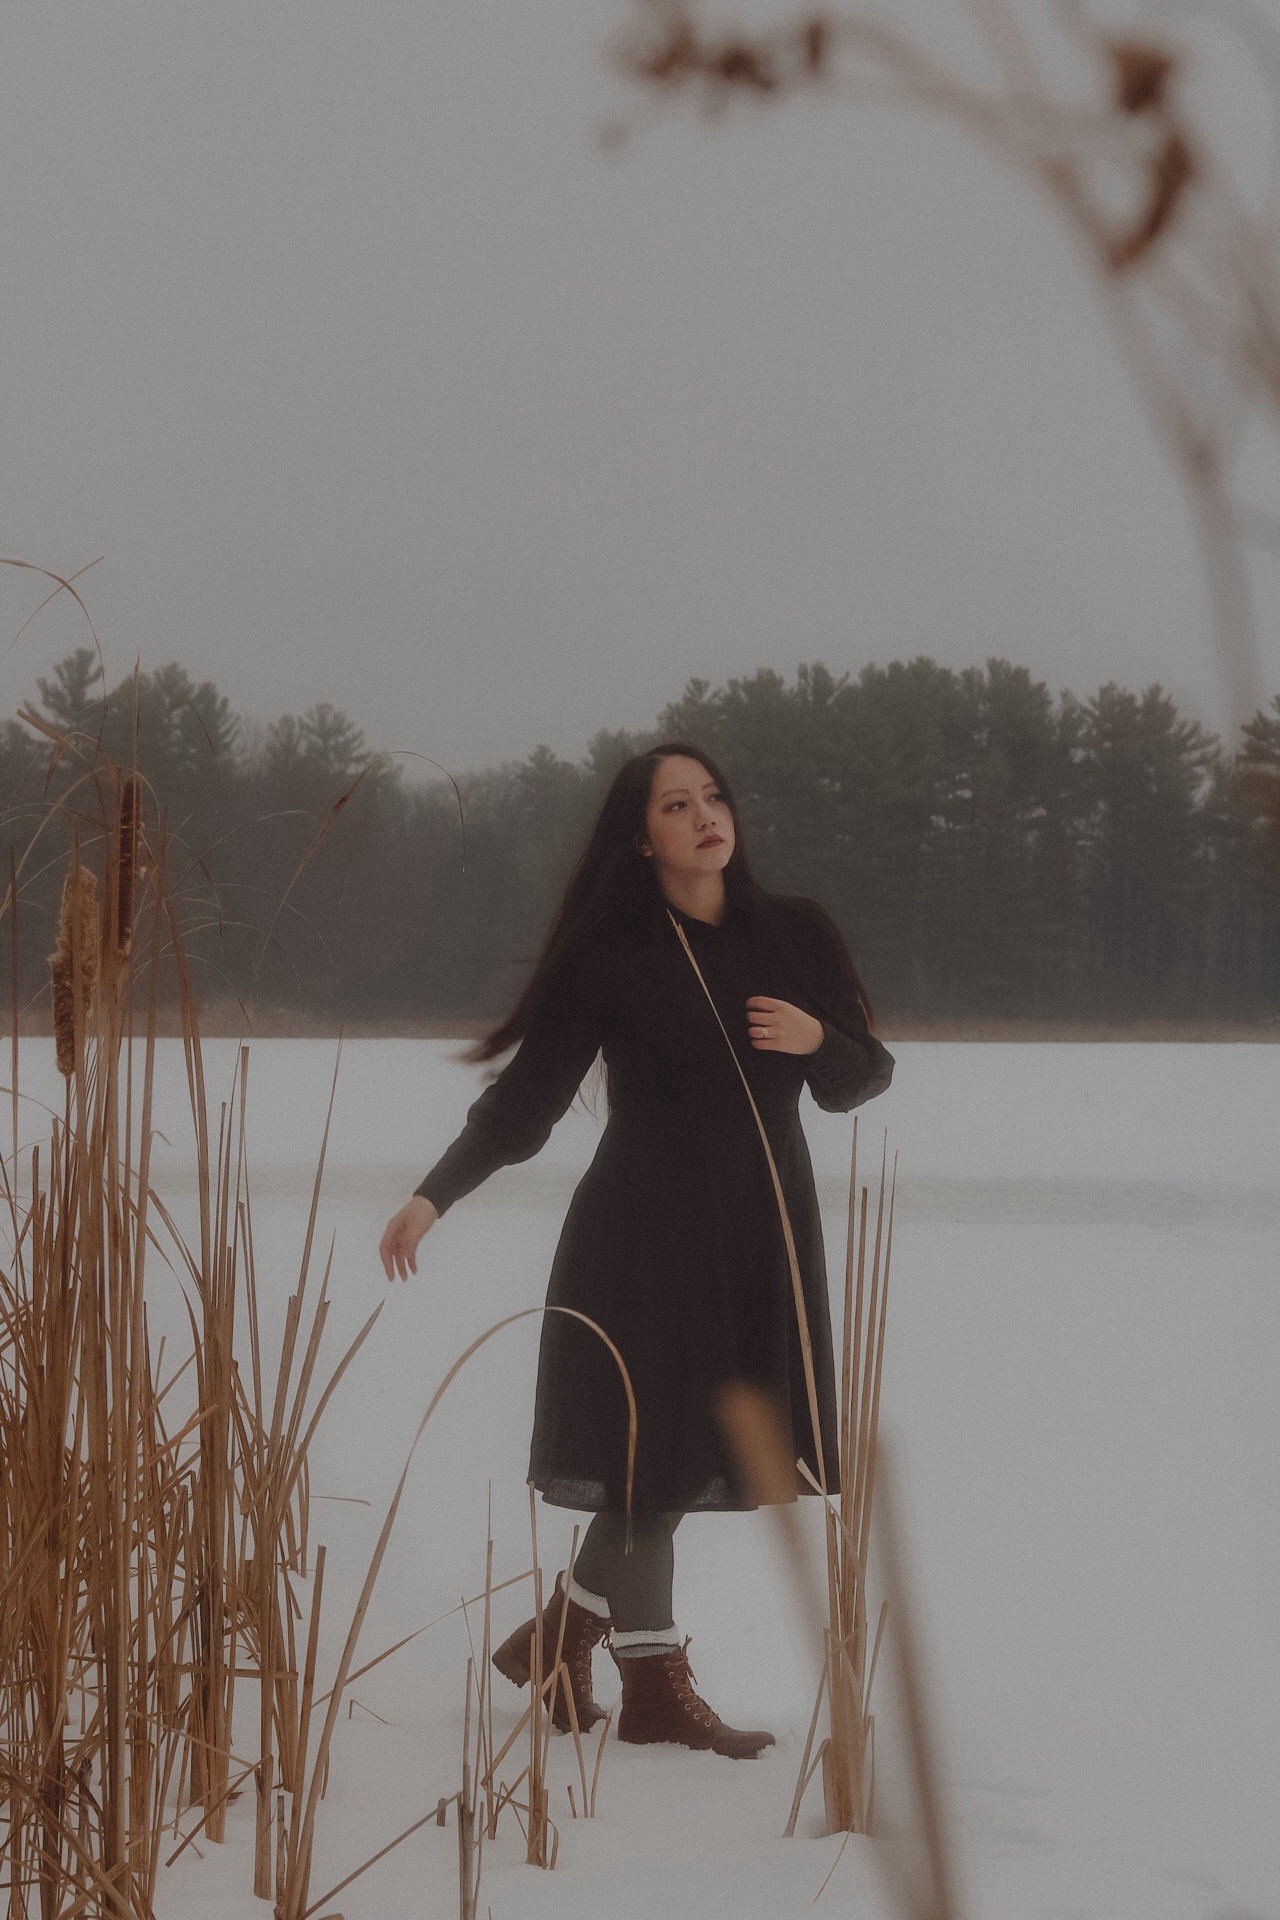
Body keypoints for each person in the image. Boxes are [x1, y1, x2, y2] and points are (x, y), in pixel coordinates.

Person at [379, 744, 894, 1759]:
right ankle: (649, 1680)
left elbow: (861, 1077)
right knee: (645, 1464)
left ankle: (561, 1635)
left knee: (672, 1458)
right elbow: (524, 1108)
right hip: (640, 1237)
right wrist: (432, 1195)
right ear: (639, 835)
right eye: (675, 803)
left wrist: (812, 1041)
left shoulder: (794, 933)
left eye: (713, 795)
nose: (705, 815)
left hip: (760, 1238)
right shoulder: (608, 953)